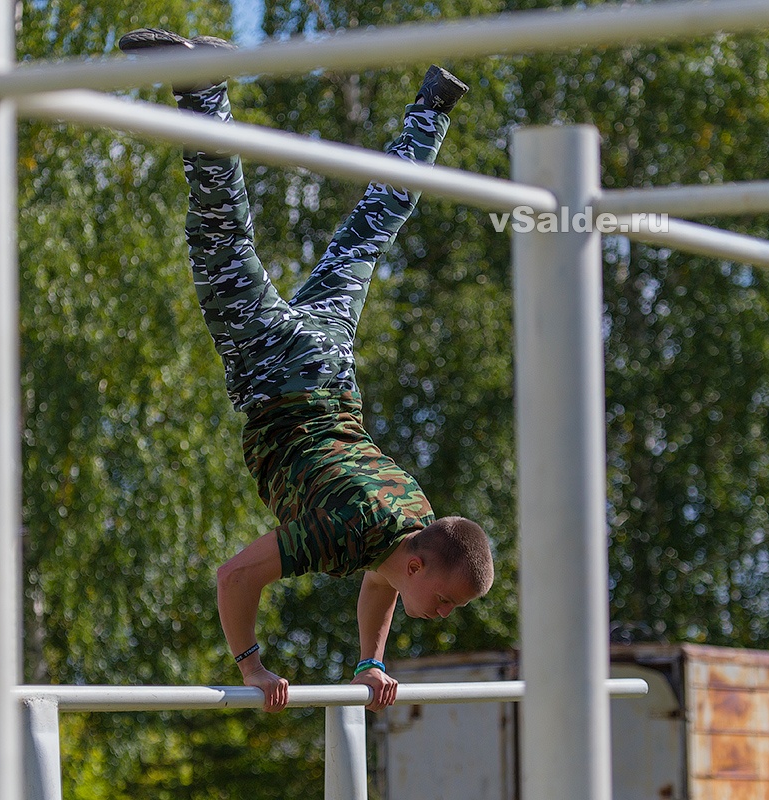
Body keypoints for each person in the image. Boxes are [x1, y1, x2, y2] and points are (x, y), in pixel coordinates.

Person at [119, 29, 495, 713]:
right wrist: (252, 666)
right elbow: (235, 577)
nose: (444, 616)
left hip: (330, 361)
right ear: (421, 564)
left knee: (368, 231)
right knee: (219, 232)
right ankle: (202, 86)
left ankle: (432, 111)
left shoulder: (413, 519)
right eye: (444, 602)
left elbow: (383, 581)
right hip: (274, 377)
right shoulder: (347, 532)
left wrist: (370, 661)